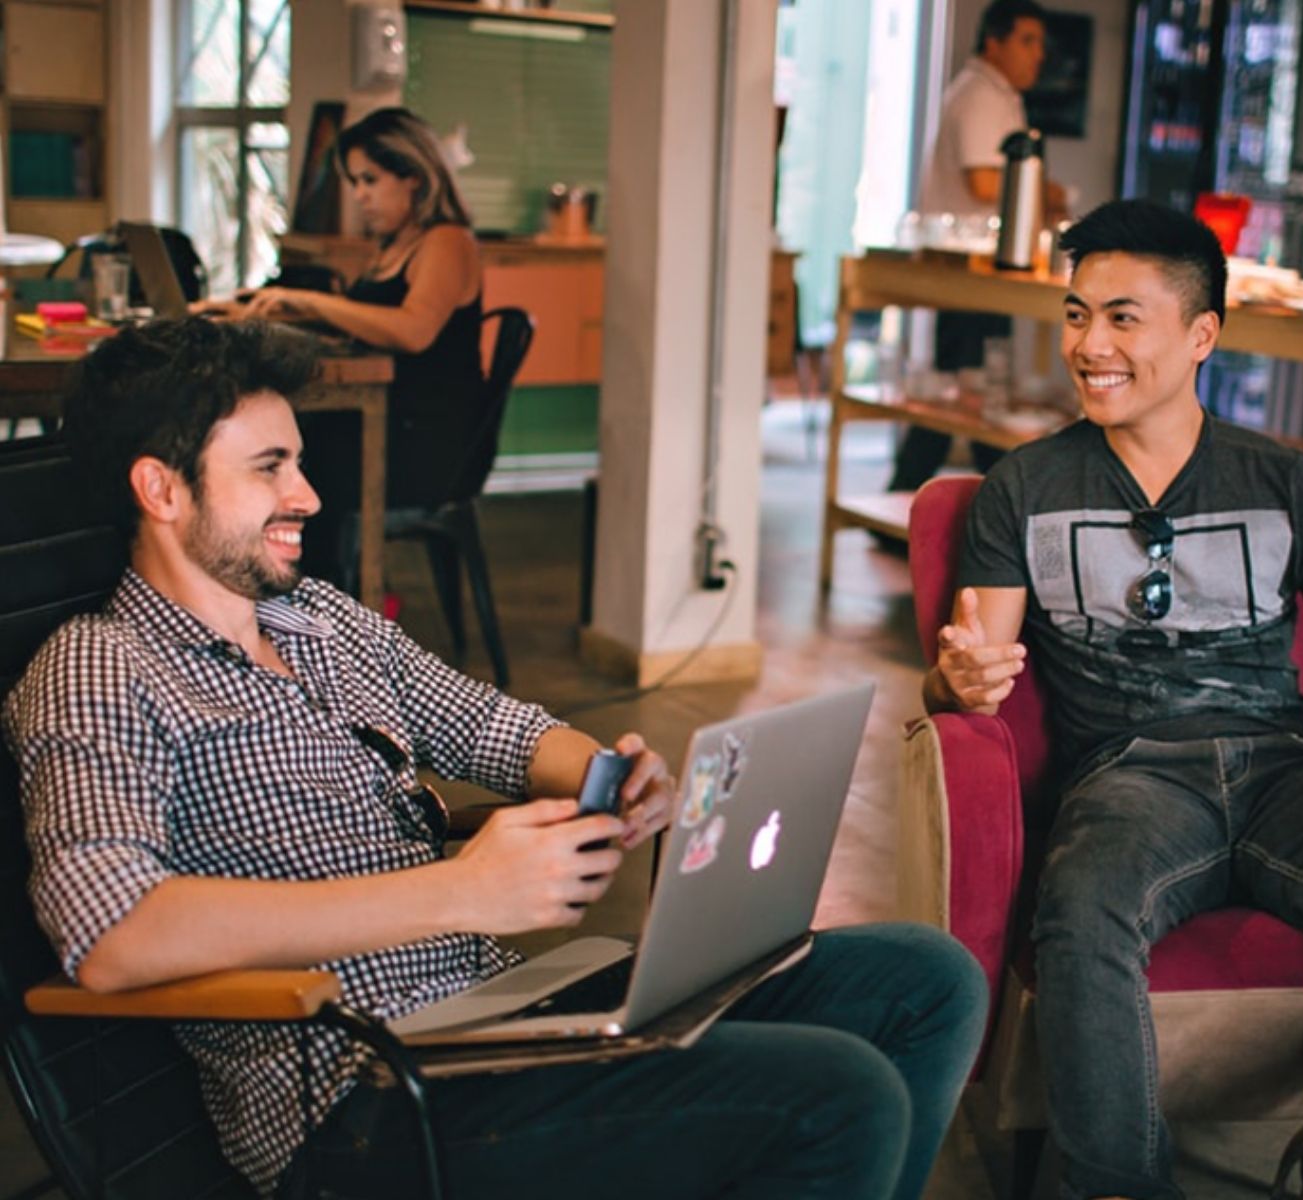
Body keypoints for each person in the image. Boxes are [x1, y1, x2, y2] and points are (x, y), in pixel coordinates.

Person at [4, 318, 988, 1200]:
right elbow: (112, 934)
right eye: (268, 467)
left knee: (924, 979)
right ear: (160, 487)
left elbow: (497, 729)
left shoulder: (319, 622)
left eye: (297, 461)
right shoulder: (100, 666)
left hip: (496, 1022)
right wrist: (461, 894)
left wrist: (607, 778)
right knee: (834, 1097)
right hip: (361, 1102)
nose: (306, 492)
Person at [926, 201, 1303, 1200]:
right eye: (1075, 314)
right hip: (1129, 772)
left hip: (1287, 765)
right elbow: (972, 663)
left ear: (1201, 335)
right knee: (1083, 905)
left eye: (1123, 318)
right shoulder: (1025, 486)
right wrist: (957, 680)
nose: (1089, 346)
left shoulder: (1287, 484)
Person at [197, 107, 486, 581]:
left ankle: (310, 604)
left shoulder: (448, 242)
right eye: (355, 182)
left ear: (413, 176)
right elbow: (366, 324)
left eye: (370, 180)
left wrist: (308, 301)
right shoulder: (395, 245)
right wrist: (270, 310)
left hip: (424, 443)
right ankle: (275, 595)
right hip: (389, 421)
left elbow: (413, 330)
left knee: (287, 464)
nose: (360, 196)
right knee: (275, 451)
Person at [887, 0, 1065, 496]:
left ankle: (988, 502)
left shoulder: (996, 94)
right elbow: (988, 182)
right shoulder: (981, 95)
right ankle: (918, 502)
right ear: (995, 41)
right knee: (963, 393)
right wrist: (1051, 193)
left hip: (984, 270)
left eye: (1040, 44)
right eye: (1027, 41)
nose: (1038, 55)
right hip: (970, 270)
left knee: (973, 390)